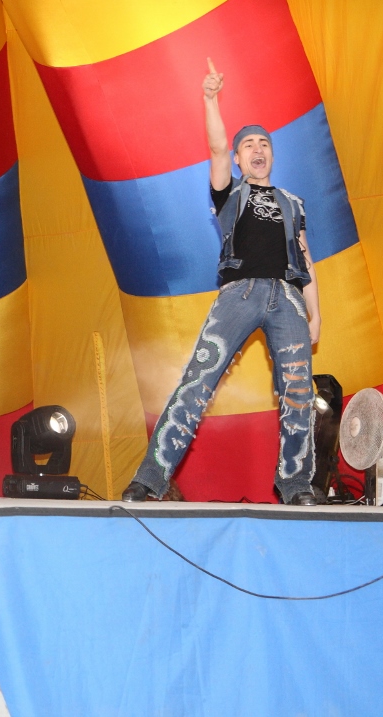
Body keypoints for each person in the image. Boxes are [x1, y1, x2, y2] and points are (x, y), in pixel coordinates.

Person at [121, 59, 320, 506]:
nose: (257, 149)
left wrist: (316, 312)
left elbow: (305, 258)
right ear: (239, 158)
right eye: (248, 144)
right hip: (240, 293)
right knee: (198, 381)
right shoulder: (230, 192)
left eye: (264, 143)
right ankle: (150, 479)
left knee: (299, 393)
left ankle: (295, 485)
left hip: (288, 299)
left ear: (272, 155)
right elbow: (215, 148)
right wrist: (210, 99)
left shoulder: (293, 203)